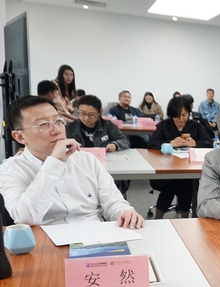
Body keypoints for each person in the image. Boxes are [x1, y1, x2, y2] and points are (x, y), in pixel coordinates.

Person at [0, 95, 144, 228]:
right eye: (43, 124)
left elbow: (113, 203)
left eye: (58, 121)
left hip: (94, 236)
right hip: (45, 240)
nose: (56, 130)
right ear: (20, 137)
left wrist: (124, 212)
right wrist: (54, 162)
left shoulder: (86, 159)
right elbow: (25, 218)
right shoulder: (10, 170)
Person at [148, 96, 212, 219]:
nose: (181, 119)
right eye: (177, 116)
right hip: (165, 169)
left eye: (184, 115)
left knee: (186, 184)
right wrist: (170, 143)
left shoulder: (195, 126)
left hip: (188, 169)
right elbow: (151, 144)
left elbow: (209, 143)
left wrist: (195, 143)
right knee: (171, 184)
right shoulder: (164, 125)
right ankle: (158, 218)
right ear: (171, 115)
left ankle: (184, 218)